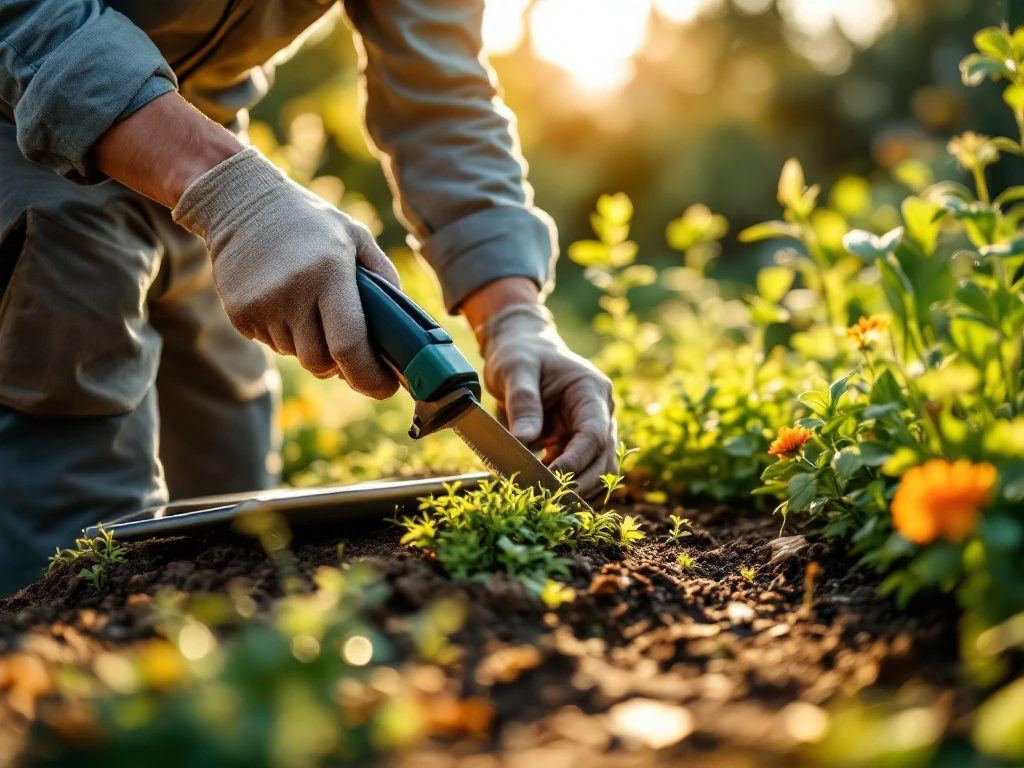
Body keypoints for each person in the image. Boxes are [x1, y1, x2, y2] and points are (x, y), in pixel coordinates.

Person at [0, 0, 617, 594]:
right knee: (84, 554)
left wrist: (512, 314)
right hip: (26, 137)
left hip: (207, 158)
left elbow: (440, 98)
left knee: (236, 517)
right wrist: (229, 193)